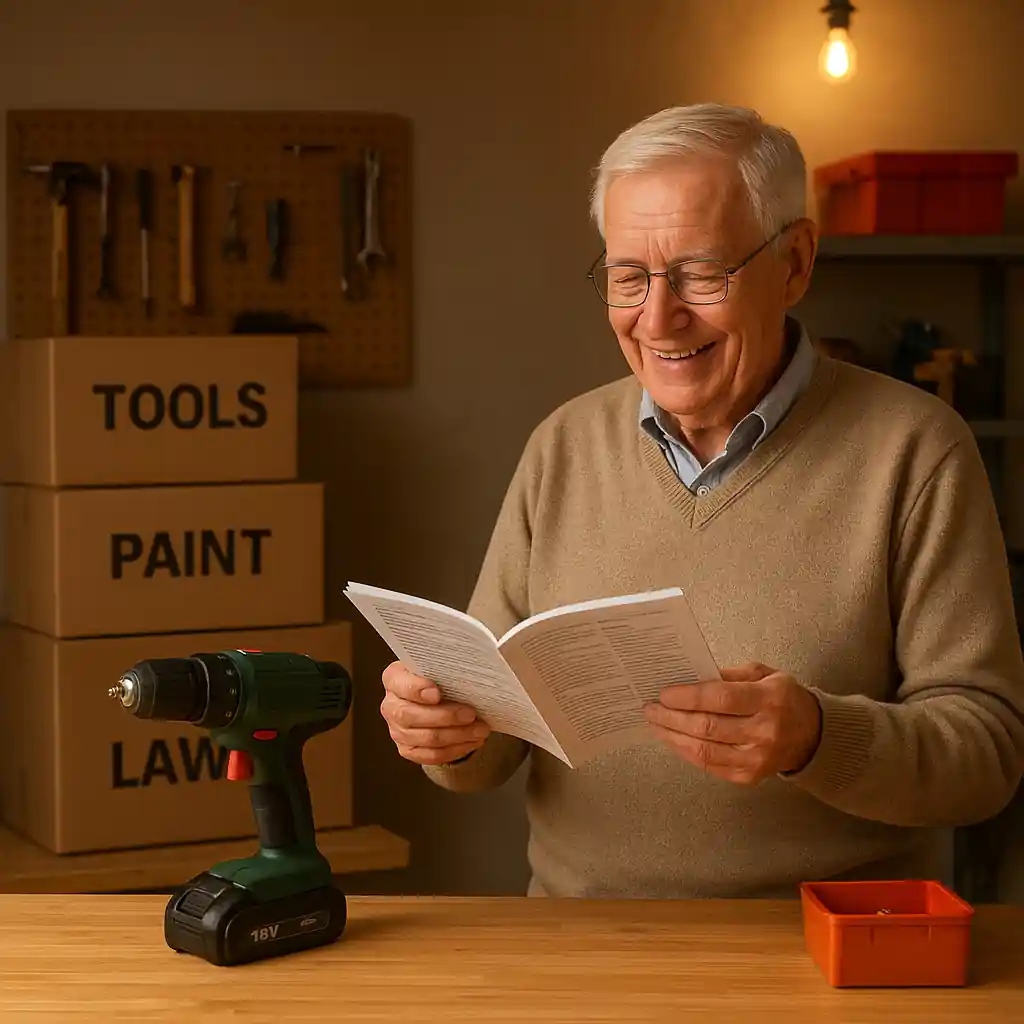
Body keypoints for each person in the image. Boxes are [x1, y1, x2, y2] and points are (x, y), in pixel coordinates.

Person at [379, 103, 1024, 898]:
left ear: (795, 263)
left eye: (699, 272)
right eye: (629, 277)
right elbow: (490, 752)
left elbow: (988, 758)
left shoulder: (917, 449)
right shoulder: (563, 445)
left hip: (825, 956)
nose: (658, 316)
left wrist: (818, 738)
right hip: (581, 948)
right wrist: (446, 734)